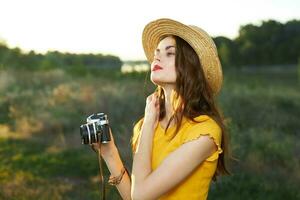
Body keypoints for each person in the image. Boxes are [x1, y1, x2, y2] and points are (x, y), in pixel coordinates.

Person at [94, 18, 230, 200]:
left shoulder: (204, 132)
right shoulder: (144, 126)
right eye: (157, 52)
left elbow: (140, 195)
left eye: (170, 53)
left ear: (190, 66)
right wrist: (109, 152)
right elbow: (134, 197)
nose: (156, 57)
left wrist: (149, 121)